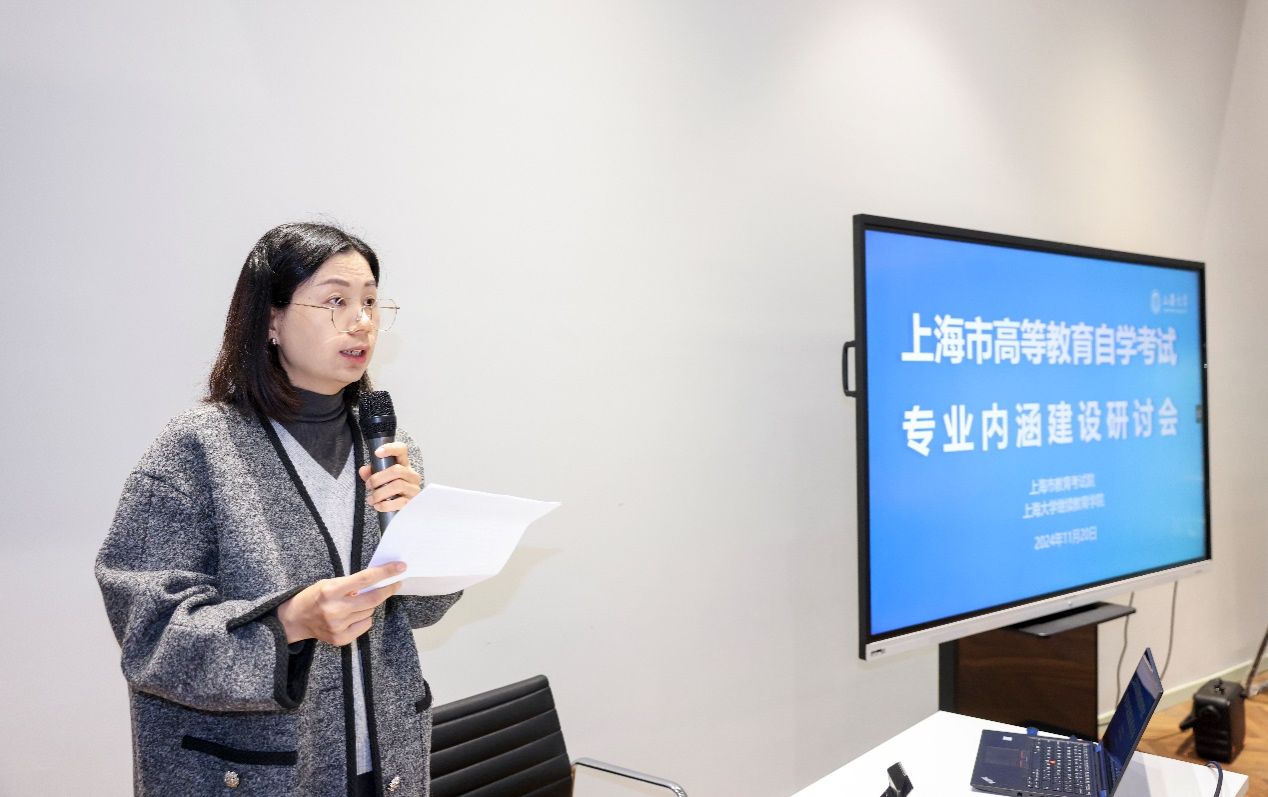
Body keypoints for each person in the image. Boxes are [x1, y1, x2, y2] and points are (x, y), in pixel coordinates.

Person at [96, 222, 461, 796]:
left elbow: (419, 610)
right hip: (253, 771)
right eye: (335, 301)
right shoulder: (199, 448)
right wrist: (290, 623)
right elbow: (149, 634)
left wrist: (425, 537)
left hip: (383, 762)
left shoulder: (389, 446)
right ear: (270, 319)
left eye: (370, 302)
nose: (361, 322)